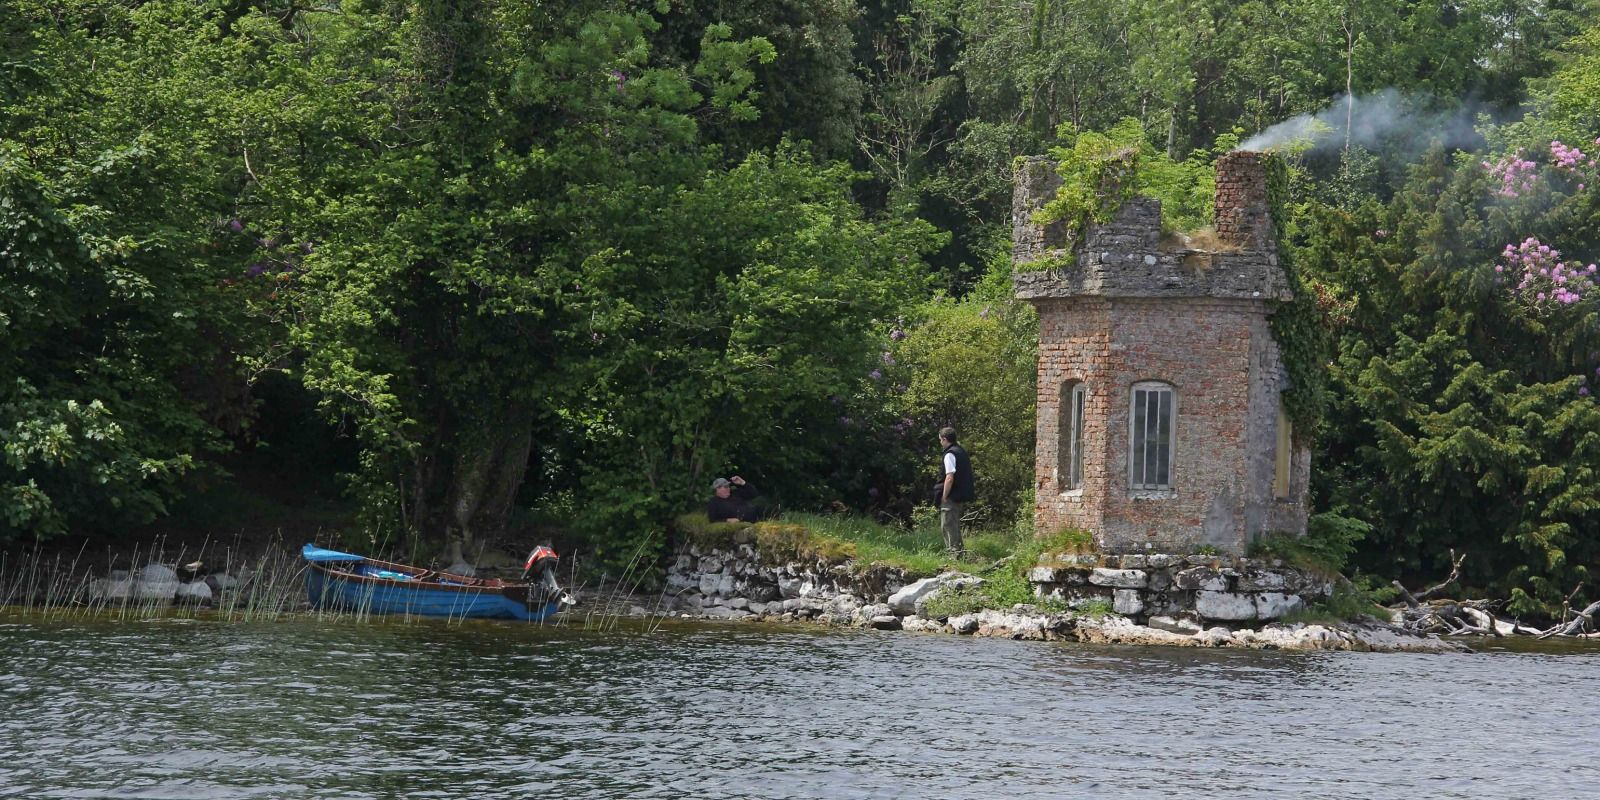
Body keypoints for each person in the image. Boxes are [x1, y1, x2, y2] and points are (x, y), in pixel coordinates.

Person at [937, 427, 975, 554]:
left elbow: (949, 477)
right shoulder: (961, 451)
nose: (940, 443)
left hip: (951, 495)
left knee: (947, 525)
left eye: (940, 440)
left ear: (945, 439)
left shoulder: (949, 454)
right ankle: (960, 553)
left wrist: (944, 495)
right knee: (954, 524)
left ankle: (954, 554)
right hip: (960, 494)